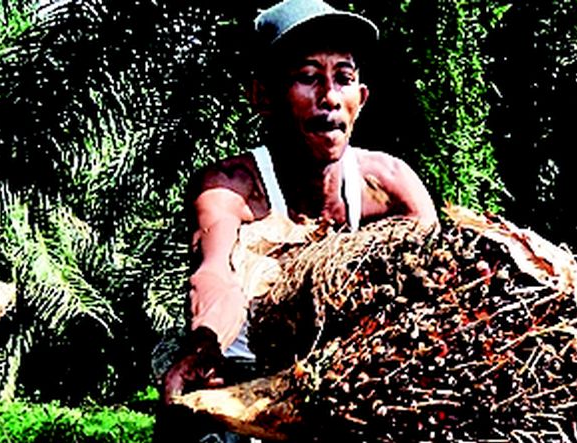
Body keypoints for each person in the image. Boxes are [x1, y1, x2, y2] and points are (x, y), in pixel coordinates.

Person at [162, 0, 439, 400]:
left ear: (361, 98)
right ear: (263, 96)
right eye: (308, 77)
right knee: (193, 416)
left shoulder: (391, 188)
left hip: (354, 378)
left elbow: (432, 284)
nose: (329, 96)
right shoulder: (232, 187)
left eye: (343, 78)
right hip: (245, 374)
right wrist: (205, 344)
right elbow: (215, 275)